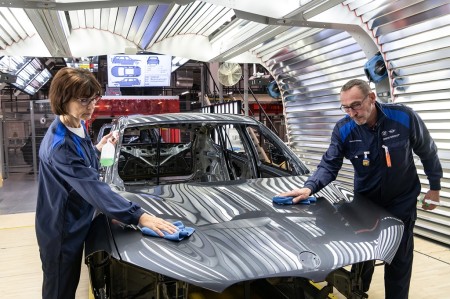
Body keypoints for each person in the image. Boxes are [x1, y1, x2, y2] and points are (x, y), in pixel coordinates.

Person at [278, 78, 442, 299]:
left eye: (355, 105)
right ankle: (358, 290)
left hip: (401, 200)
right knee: (365, 252)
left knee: (399, 257)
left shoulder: (403, 117)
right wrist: (309, 188)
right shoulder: (344, 129)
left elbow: (427, 150)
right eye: (345, 107)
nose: (352, 113)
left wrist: (434, 187)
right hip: (367, 203)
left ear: (371, 98)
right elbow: (330, 163)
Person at [35, 67, 177, 299]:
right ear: (63, 99)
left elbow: (81, 161)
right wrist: (140, 216)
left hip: (74, 218)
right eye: (83, 100)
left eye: (93, 99)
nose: (91, 106)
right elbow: (93, 187)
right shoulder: (60, 145)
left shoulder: (75, 124)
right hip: (61, 229)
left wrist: (98, 148)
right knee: (60, 288)